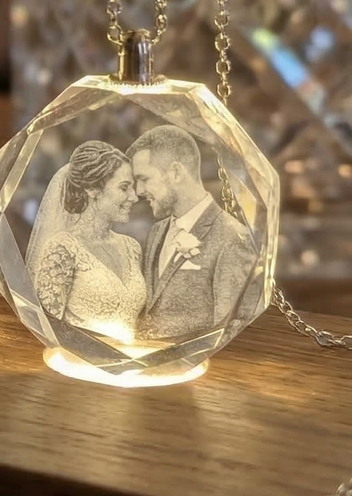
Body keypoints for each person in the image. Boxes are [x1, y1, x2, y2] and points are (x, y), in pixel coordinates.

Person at [127, 125, 258, 341]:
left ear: (176, 173)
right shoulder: (156, 232)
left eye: (144, 178)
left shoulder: (233, 238)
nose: (139, 191)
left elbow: (228, 330)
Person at [28, 141, 145, 339]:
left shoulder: (131, 247)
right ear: (93, 190)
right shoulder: (63, 248)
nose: (134, 197)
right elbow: (47, 330)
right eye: (124, 187)